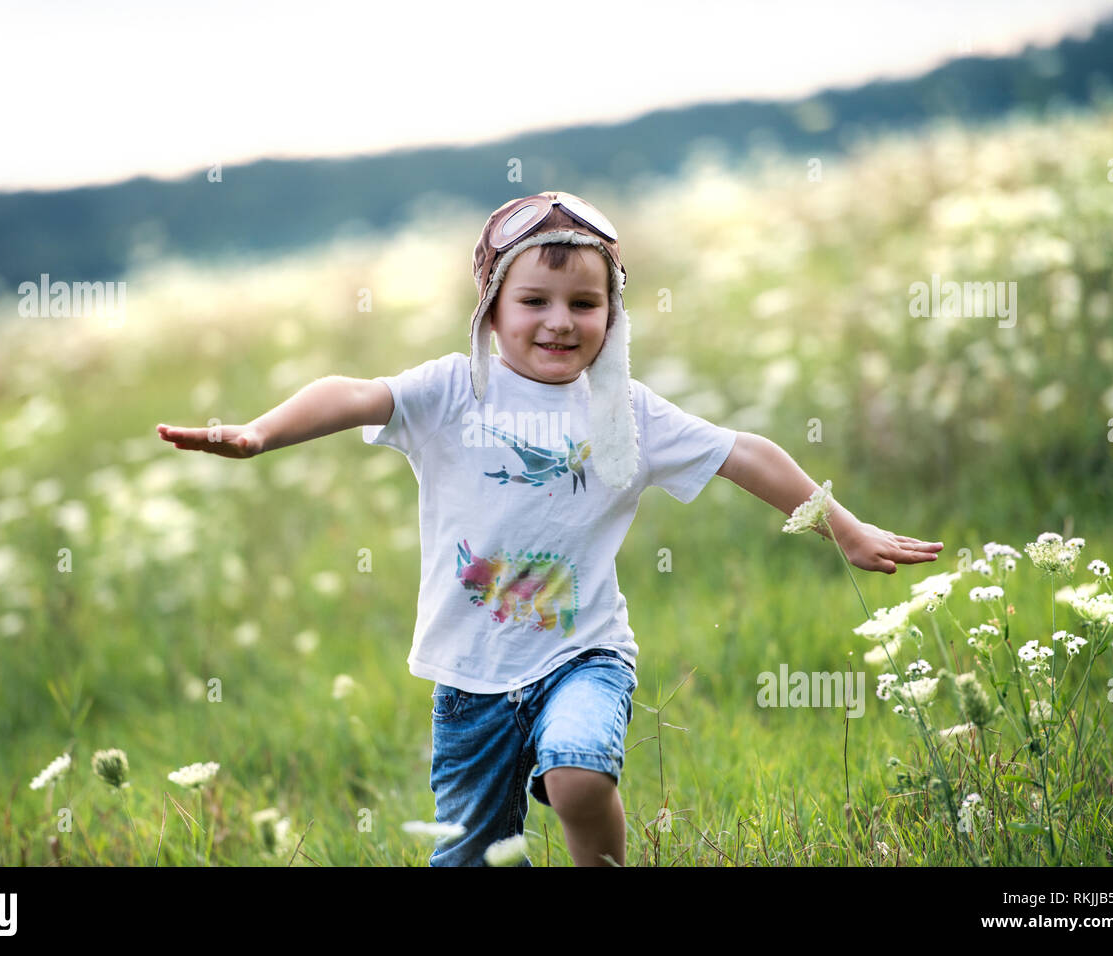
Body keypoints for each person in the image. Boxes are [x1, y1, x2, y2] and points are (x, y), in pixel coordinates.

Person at [156, 190, 943, 867]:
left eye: (585, 304)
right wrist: (259, 433)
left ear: (613, 311)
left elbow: (742, 453)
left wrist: (841, 526)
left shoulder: (626, 412)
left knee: (577, 774)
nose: (560, 322)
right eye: (535, 301)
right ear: (492, 307)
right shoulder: (452, 390)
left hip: (585, 654)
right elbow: (355, 394)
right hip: (470, 683)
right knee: (469, 856)